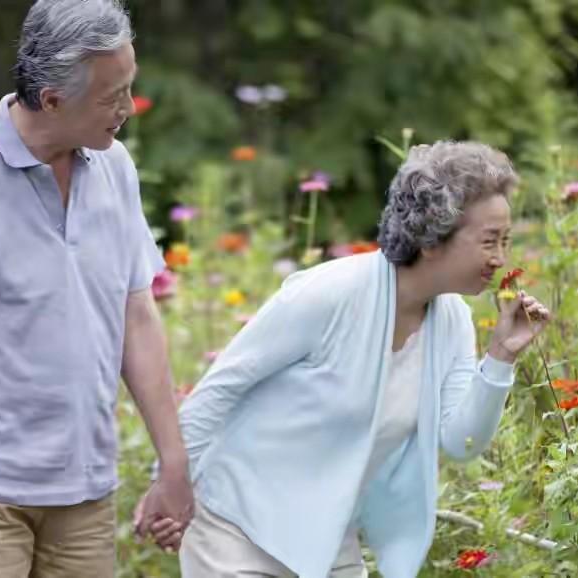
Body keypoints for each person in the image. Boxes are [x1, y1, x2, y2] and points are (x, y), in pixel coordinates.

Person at [0, 1, 193, 577]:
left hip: (85, 496)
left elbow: (136, 314)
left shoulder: (115, 167)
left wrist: (174, 463)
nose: (126, 109)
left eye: (129, 88)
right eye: (111, 96)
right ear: (51, 99)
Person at [142, 140, 551, 577]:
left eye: (506, 241)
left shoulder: (451, 321)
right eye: (490, 241)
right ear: (432, 237)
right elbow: (221, 389)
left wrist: (501, 357)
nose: (501, 259)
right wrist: (168, 484)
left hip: (327, 545)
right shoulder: (328, 293)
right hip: (237, 533)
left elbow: (461, 442)